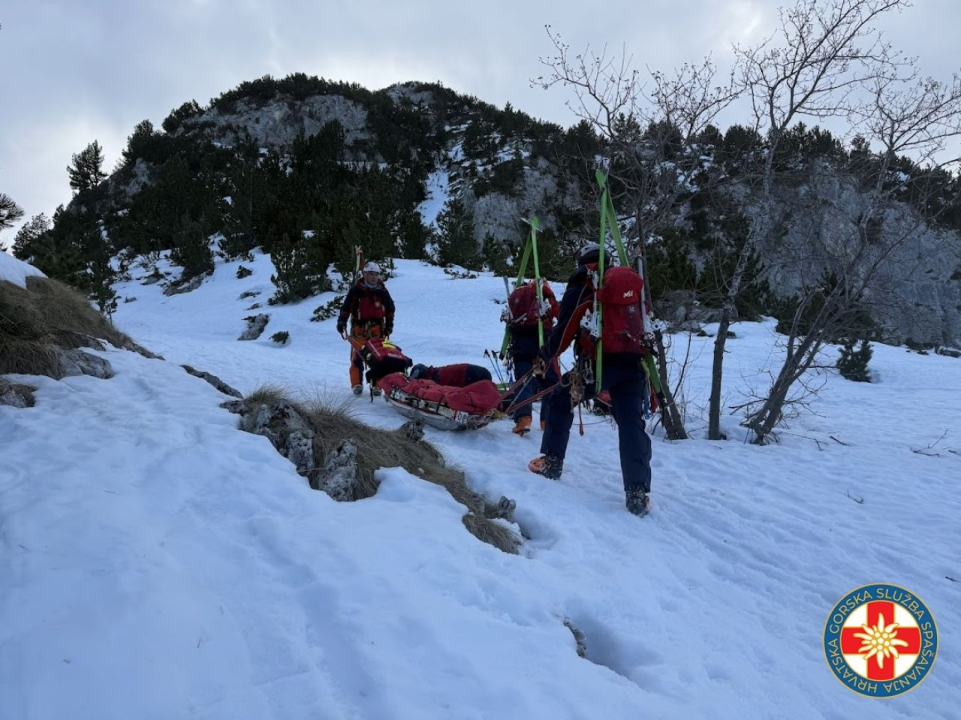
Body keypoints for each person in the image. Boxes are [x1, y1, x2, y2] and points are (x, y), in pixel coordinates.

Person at [528, 243, 653, 516]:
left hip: (598, 366)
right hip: (633, 364)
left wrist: (543, 356)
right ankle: (637, 491)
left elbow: (564, 331)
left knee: (561, 398)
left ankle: (552, 461)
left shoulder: (586, 287)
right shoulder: (629, 289)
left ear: (582, 261)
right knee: (631, 424)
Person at [502, 279, 559, 435]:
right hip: (542, 346)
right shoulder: (545, 297)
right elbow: (558, 313)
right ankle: (547, 420)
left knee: (523, 381)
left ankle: (523, 418)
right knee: (550, 383)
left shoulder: (518, 297)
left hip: (521, 345)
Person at [337, 261, 395, 396]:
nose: (374, 277)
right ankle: (356, 384)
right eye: (371, 274)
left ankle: (377, 385)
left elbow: (390, 310)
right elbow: (346, 308)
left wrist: (389, 325)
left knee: (378, 358)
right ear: (365, 274)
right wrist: (342, 322)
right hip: (359, 330)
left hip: (377, 330)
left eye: (376, 274)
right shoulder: (356, 290)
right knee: (358, 357)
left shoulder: (382, 291)